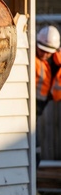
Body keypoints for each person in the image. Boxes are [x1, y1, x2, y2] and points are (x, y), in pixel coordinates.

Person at [35, 25, 60, 166]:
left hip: (40, 109)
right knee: (35, 147)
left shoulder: (56, 63)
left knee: (36, 147)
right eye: (42, 51)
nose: (44, 55)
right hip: (30, 109)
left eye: (48, 53)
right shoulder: (31, 59)